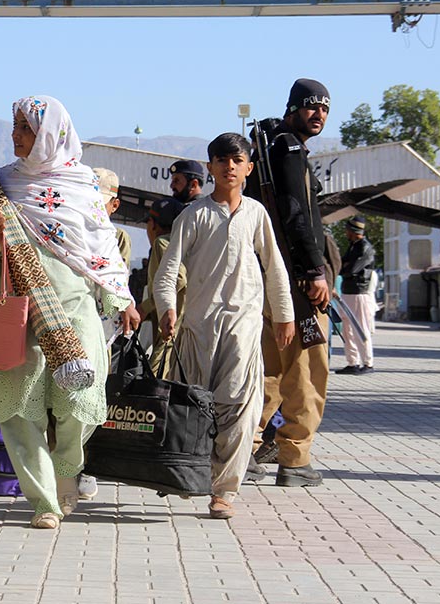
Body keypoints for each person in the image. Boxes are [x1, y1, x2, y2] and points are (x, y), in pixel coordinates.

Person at [0, 95, 138, 529]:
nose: (15, 135)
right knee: (18, 411)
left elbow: (102, 245)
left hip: (75, 309)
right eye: (14, 126)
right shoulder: (0, 183)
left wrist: (122, 299)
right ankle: (43, 500)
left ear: (50, 132)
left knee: (79, 401)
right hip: (17, 311)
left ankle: (67, 473)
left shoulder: (82, 184)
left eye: (25, 128)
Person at [155, 132, 293, 519]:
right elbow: (168, 271)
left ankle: (225, 491)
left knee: (242, 405)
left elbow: (274, 267)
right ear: (212, 166)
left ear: (248, 168)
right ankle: (190, 473)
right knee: (198, 407)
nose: (229, 167)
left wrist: (284, 314)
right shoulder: (194, 215)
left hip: (244, 325)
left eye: (237, 160)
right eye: (221, 160)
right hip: (199, 326)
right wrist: (167, 308)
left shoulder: (255, 214)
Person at [248, 78, 332, 488]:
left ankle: (246, 446)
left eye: (325, 109)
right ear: (293, 107)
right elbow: (297, 214)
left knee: (270, 370)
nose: (318, 115)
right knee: (306, 372)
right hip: (297, 284)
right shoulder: (289, 150)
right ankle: (295, 460)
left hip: (269, 279)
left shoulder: (268, 147)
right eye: (312, 107)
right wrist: (315, 271)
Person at [137, 197, 187, 377]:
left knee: (155, 386)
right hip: (181, 333)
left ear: (154, 225)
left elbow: (179, 279)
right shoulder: (183, 244)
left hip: (170, 334)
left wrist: (145, 307)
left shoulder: (163, 243)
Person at [336, 216, 377, 374]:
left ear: (353, 231)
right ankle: (352, 362)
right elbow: (342, 265)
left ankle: (368, 363)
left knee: (360, 328)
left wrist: (345, 267)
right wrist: (344, 266)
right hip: (348, 291)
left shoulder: (365, 248)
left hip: (359, 293)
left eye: (347, 230)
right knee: (348, 329)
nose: (345, 232)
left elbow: (350, 269)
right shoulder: (353, 246)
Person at [93, 167, 132, 268]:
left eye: (100, 206)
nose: (93, 210)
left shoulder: (118, 237)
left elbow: (120, 277)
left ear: (114, 205)